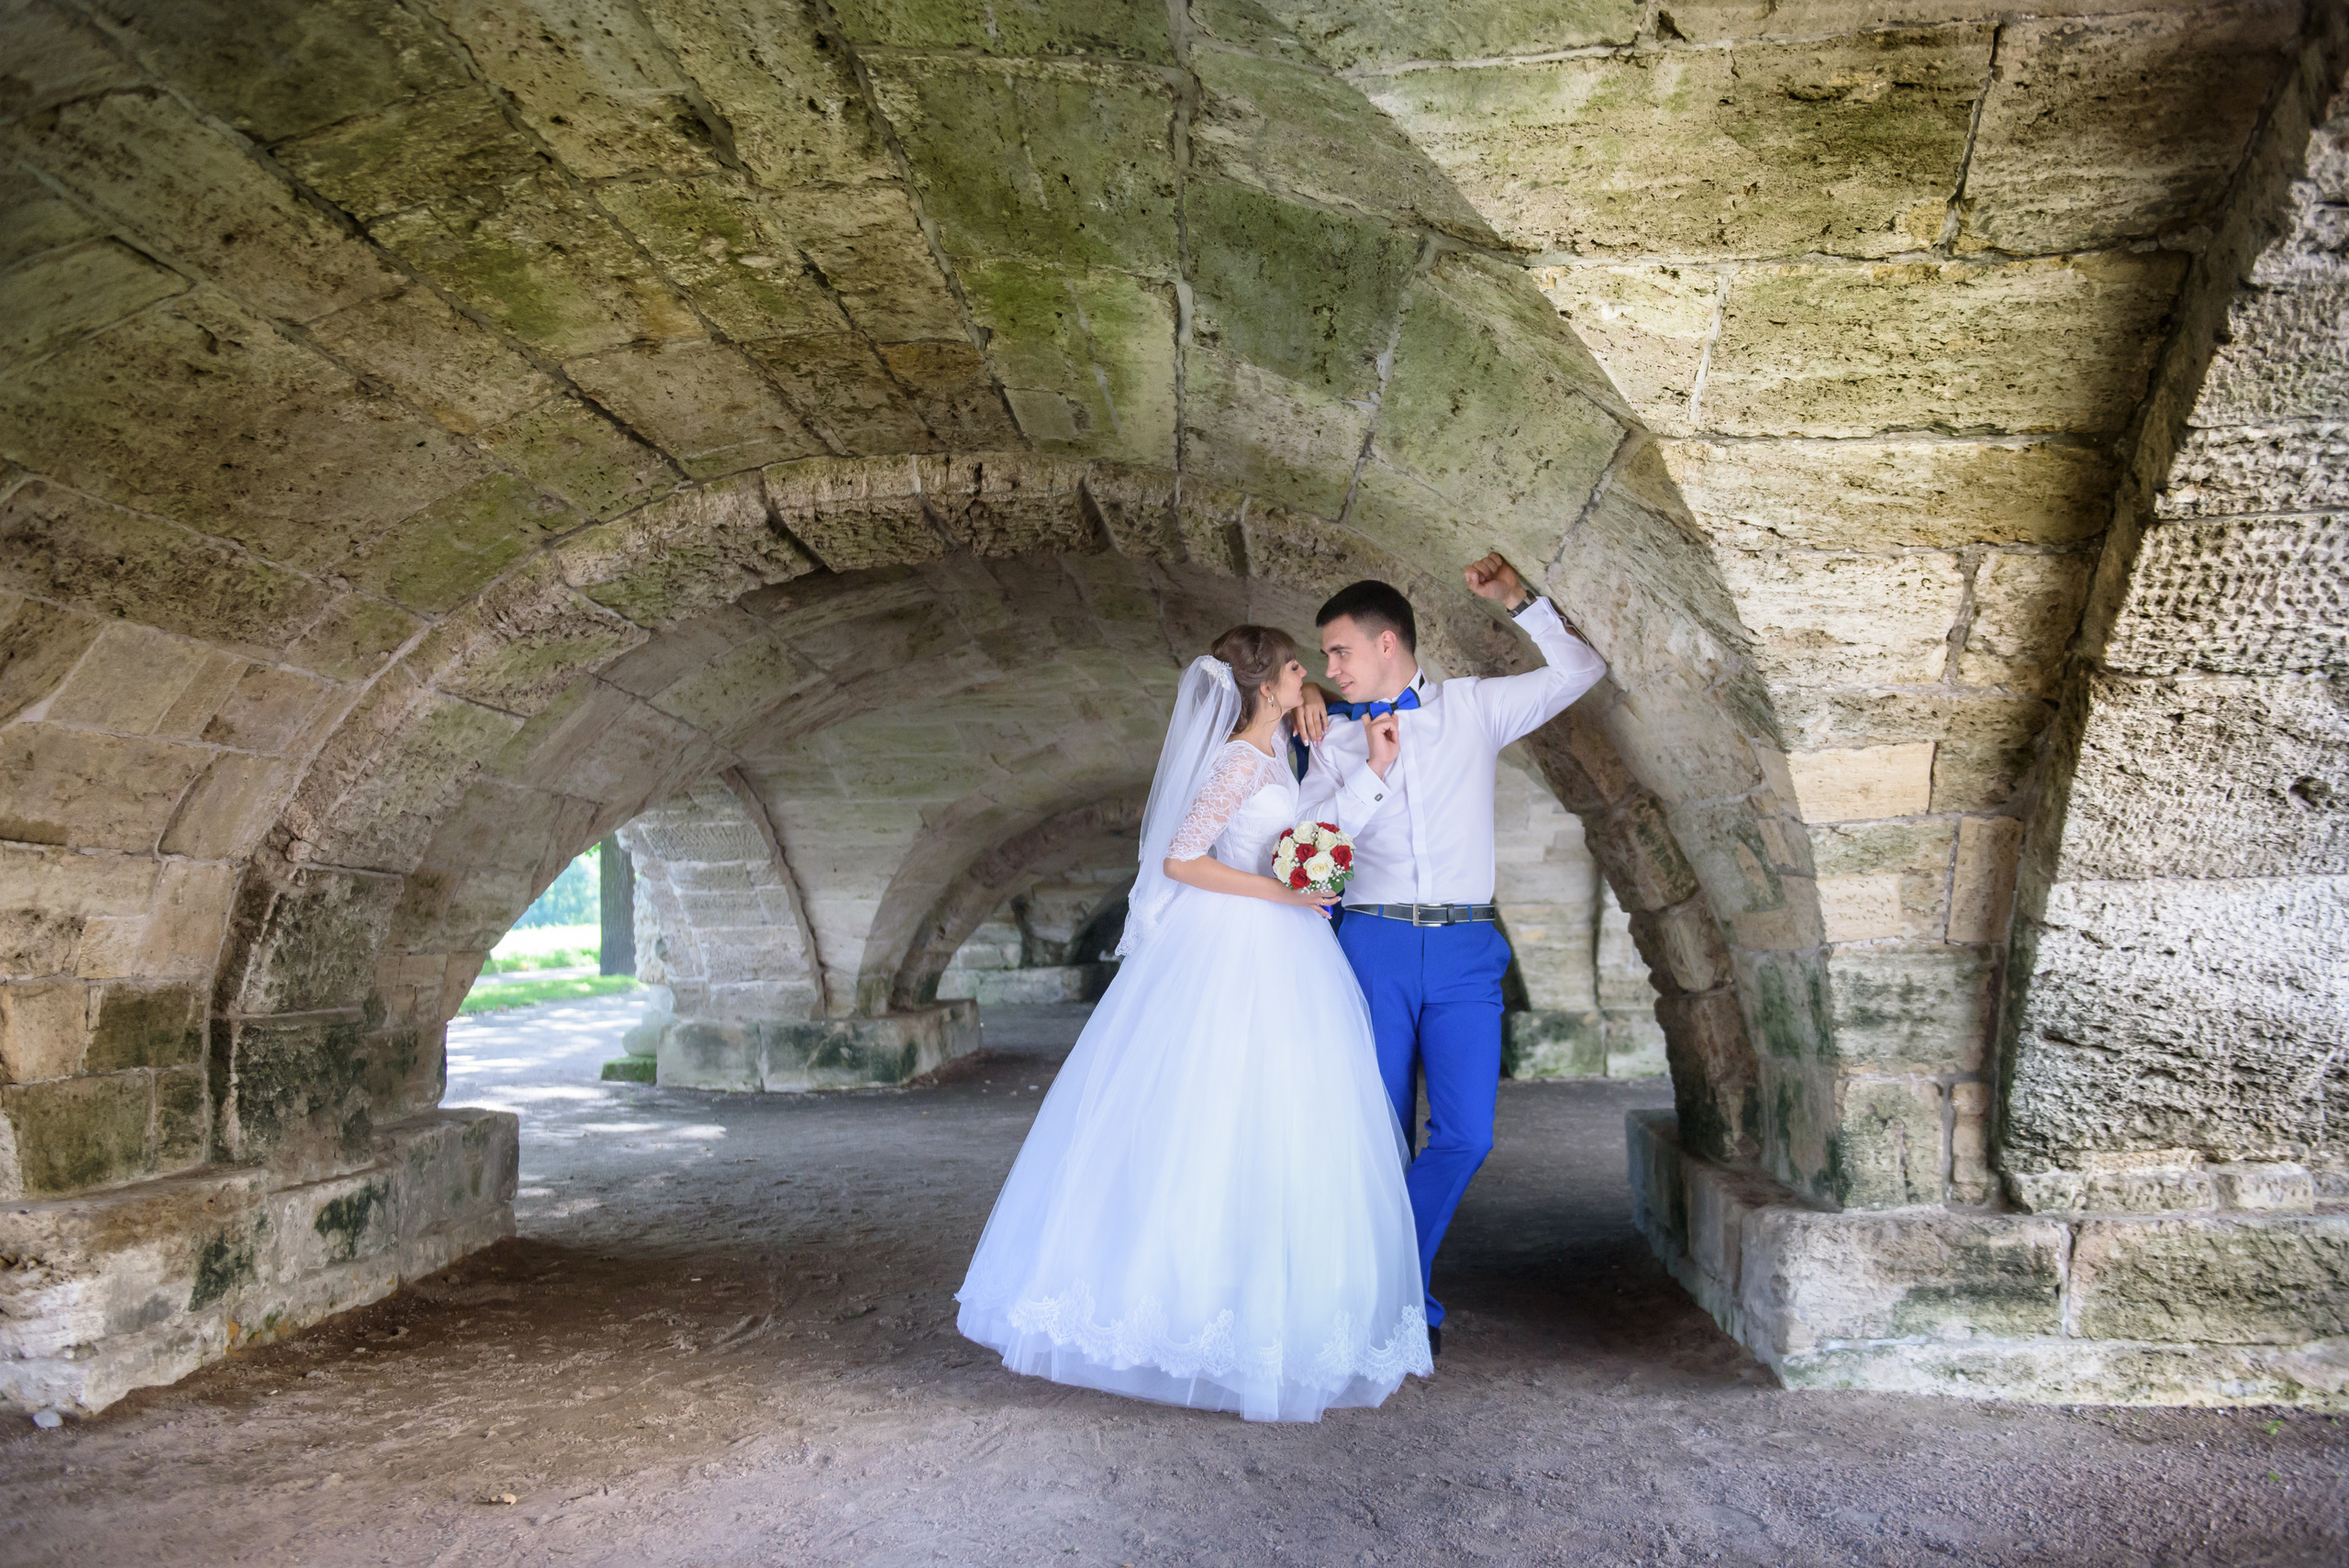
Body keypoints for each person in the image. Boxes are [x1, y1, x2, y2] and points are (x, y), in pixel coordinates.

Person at [954, 625, 1432, 1422]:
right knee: (1213, 1115)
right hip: (1238, 942)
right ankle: (1184, 1310)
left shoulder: (1274, 751)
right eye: (1296, 667)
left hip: (1285, 944)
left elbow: (1301, 813)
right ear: (1265, 685)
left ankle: (1258, 1311)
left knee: (1281, 1119)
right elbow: (1181, 857)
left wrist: (1362, 761)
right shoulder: (1237, 761)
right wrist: (1285, 893)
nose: (1309, 674)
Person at [1298, 552, 1608, 1356]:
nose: (1331, 669)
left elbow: (1581, 670)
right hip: (1371, 942)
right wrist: (1372, 770)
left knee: (1467, 1134)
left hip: (1468, 945)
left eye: (1339, 652)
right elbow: (1309, 863)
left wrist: (1519, 600)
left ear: (1388, 643)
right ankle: (1397, 1310)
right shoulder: (1332, 740)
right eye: (1326, 658)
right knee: (1378, 1135)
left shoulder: (1474, 707)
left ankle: (1385, 1287)